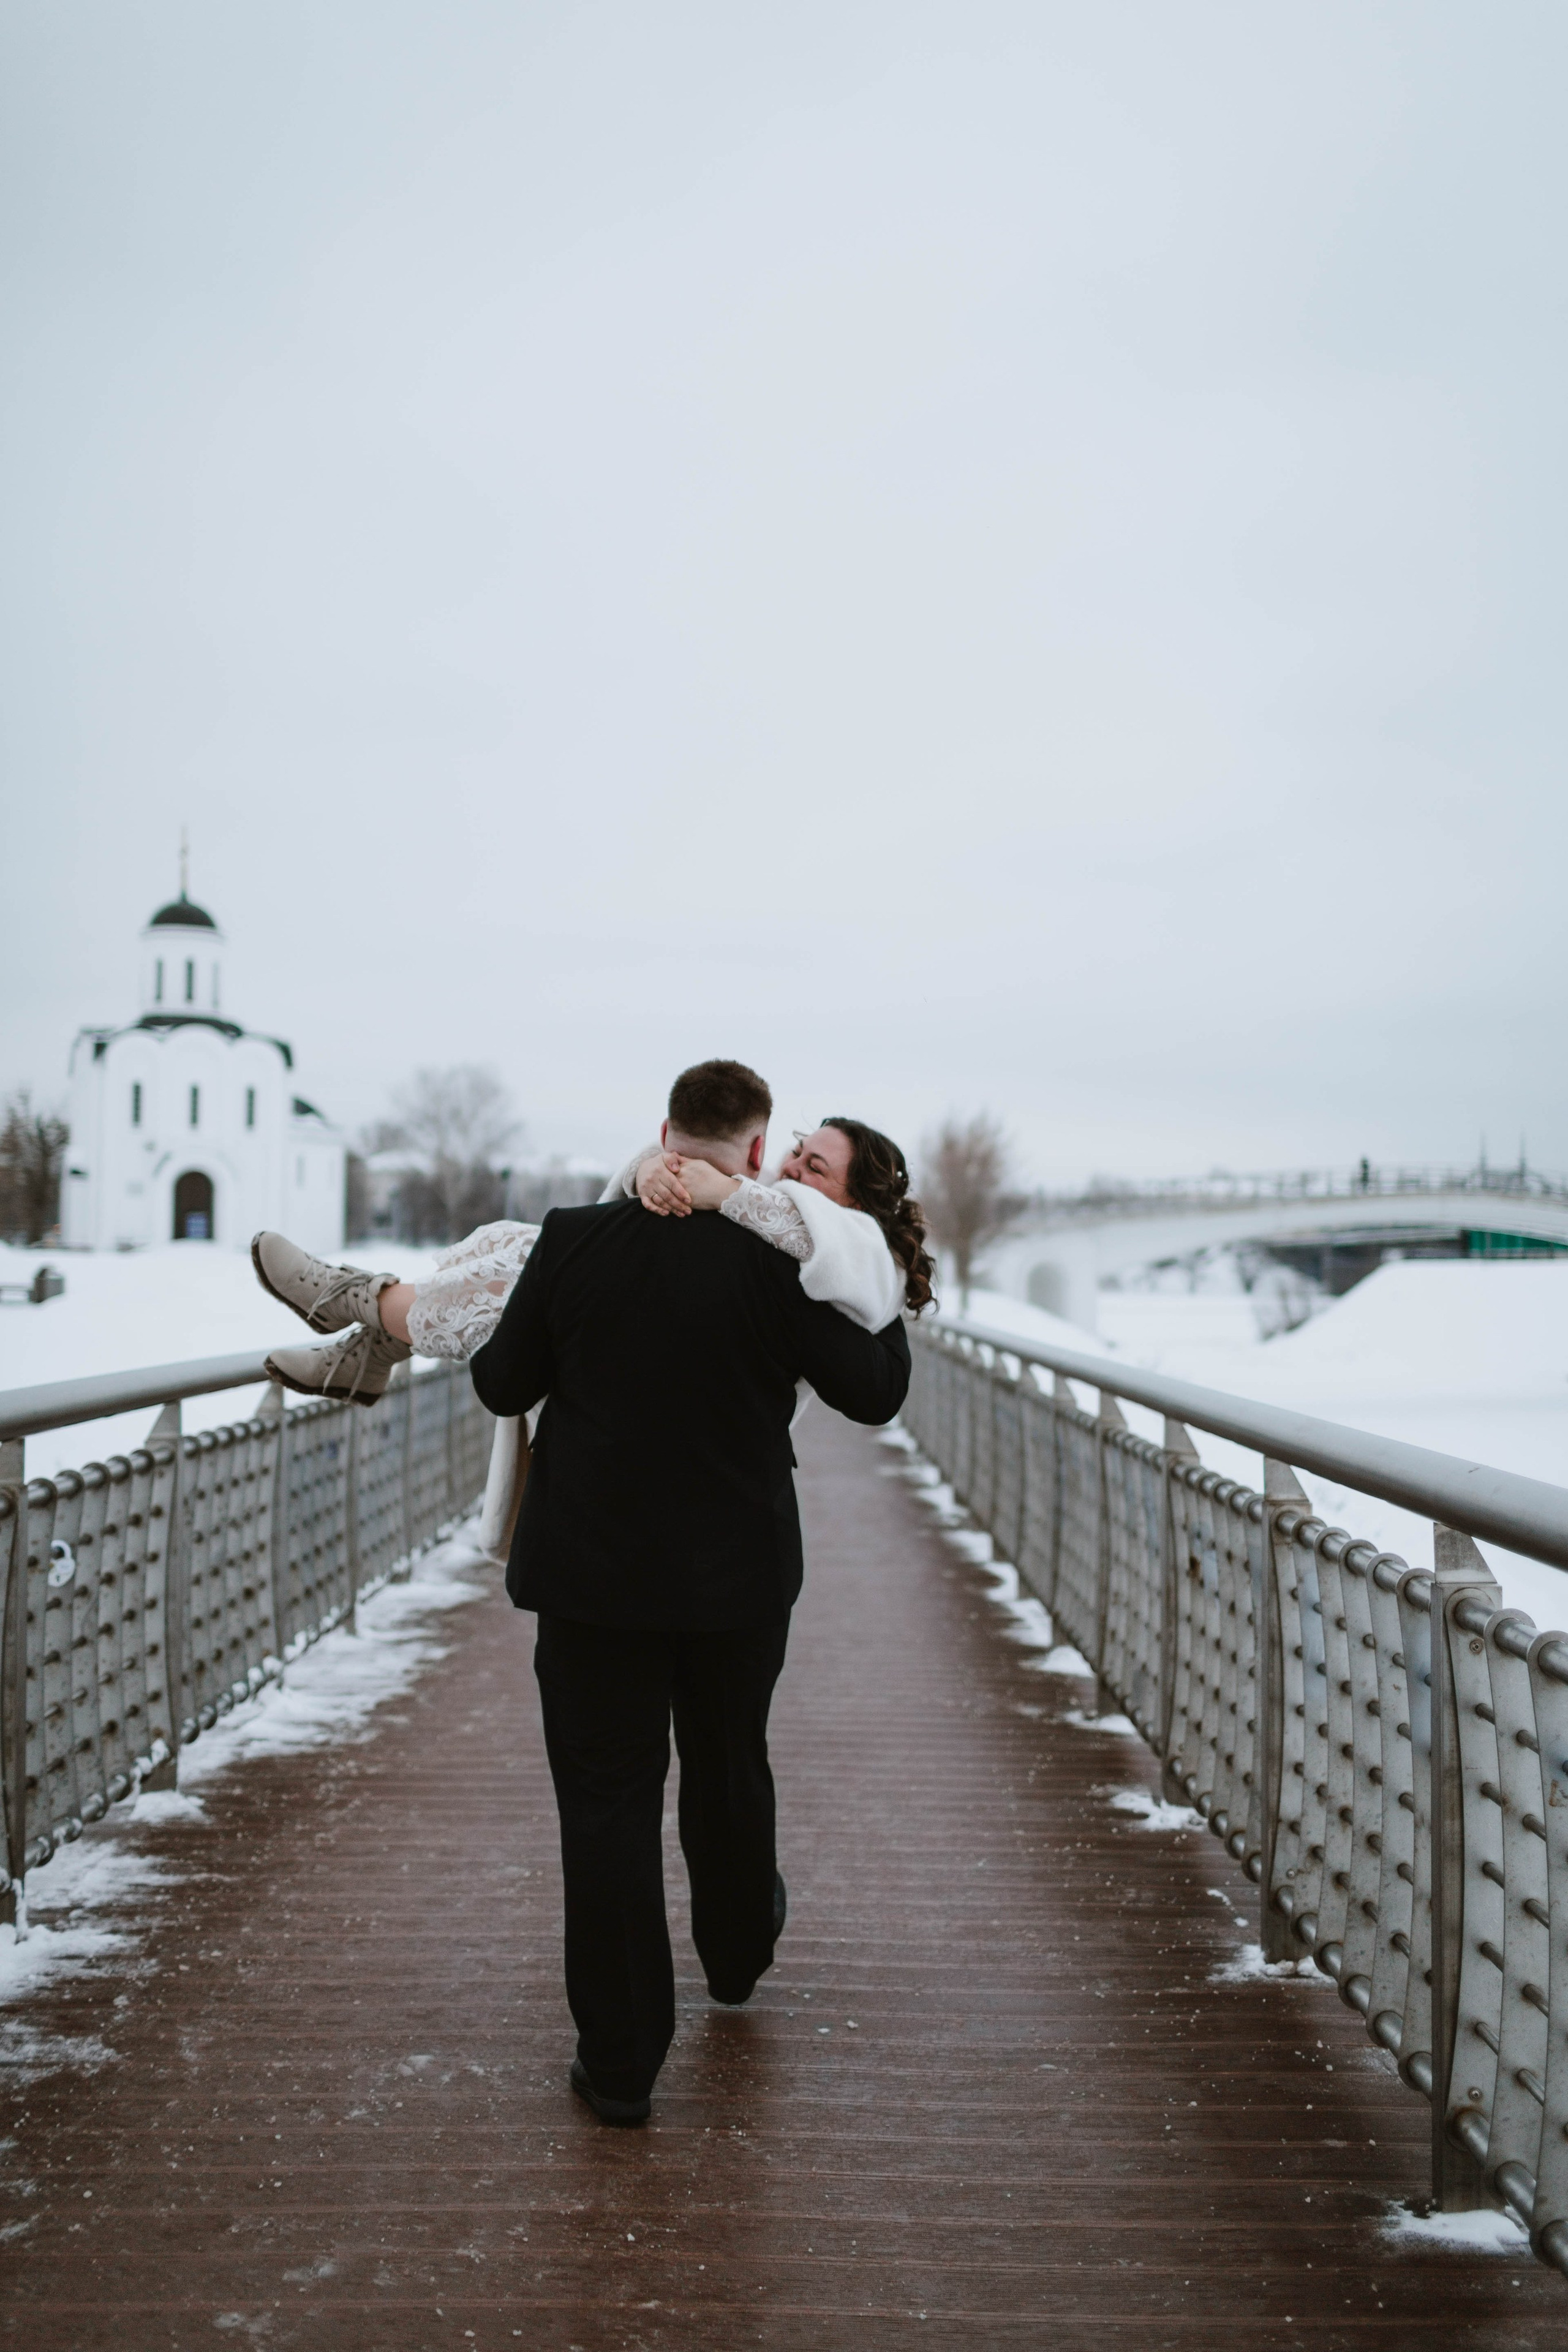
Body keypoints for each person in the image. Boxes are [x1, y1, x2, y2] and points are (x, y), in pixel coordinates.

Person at [464, 1058, 912, 2124]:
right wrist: (877, 1282)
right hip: (736, 1582)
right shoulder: (778, 1264)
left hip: (590, 1583)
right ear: (759, 1156)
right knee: (726, 1759)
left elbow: (501, 1384)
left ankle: (620, 2064)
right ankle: (738, 1949)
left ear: (663, 1134)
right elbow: (875, 1392)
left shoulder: (574, 1239)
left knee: (608, 1807)